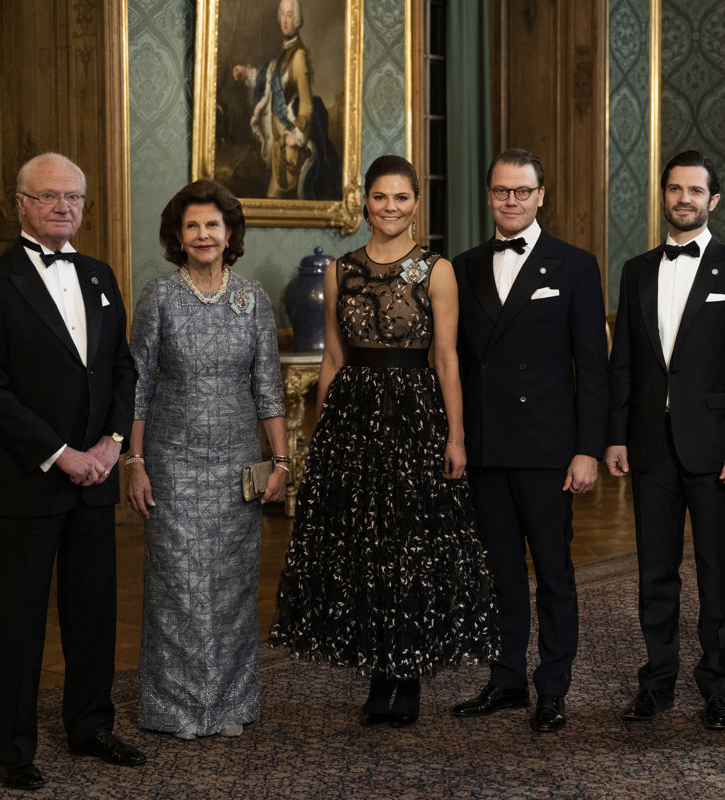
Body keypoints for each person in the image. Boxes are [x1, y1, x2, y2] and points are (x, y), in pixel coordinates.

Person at [270, 155, 496, 728]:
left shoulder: (436, 269)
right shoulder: (340, 269)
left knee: (408, 549)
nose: (390, 207)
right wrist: (320, 435)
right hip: (353, 419)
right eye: (379, 197)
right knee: (362, 549)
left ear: (416, 203)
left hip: (416, 415)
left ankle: (409, 673)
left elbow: (447, 358)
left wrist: (457, 437)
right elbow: (333, 359)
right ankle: (378, 671)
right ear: (364, 202)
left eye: (401, 197)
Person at [0, 152, 145, 791]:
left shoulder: (99, 274)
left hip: (96, 478)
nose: (65, 207)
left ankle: (91, 726)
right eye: (50, 197)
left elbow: (122, 367)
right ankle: (9, 748)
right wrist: (62, 454)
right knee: (17, 619)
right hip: (31, 479)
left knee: (93, 612)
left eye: (74, 198)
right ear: (21, 204)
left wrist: (112, 444)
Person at [604, 150, 725, 733]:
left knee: (717, 572)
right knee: (655, 571)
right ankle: (657, 684)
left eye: (695, 191)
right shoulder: (635, 270)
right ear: (665, 196)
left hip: (719, 448)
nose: (683, 199)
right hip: (650, 445)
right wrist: (616, 436)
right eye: (674, 189)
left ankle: (718, 687)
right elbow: (622, 363)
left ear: (713, 200)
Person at [450, 148, 609, 733]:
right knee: (498, 574)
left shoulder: (573, 265)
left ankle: (554, 687)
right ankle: (506, 678)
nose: (511, 201)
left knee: (553, 573)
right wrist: (458, 437)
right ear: (488, 195)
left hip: (548, 450)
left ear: (542, 195)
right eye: (501, 192)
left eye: (521, 191)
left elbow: (593, 367)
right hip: (488, 447)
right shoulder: (463, 265)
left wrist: (587, 448)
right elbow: (456, 362)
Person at [125, 180, 288, 740]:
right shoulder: (159, 297)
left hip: (238, 465)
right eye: (192, 226)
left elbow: (268, 387)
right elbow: (138, 388)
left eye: (212, 225)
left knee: (233, 589)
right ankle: (176, 708)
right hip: (173, 462)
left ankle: (228, 705)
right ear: (178, 234)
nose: (202, 235)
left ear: (229, 233)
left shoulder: (253, 299)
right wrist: (135, 462)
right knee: (178, 587)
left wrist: (282, 462)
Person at [231, 0, 341, 200]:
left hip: (287, 135)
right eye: (283, 14)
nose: (285, 20)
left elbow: (306, 103)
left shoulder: (298, 56)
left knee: (275, 196)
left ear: (297, 20)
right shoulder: (285, 51)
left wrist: (296, 134)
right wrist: (248, 73)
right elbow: (272, 77)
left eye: (290, 15)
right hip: (275, 135)